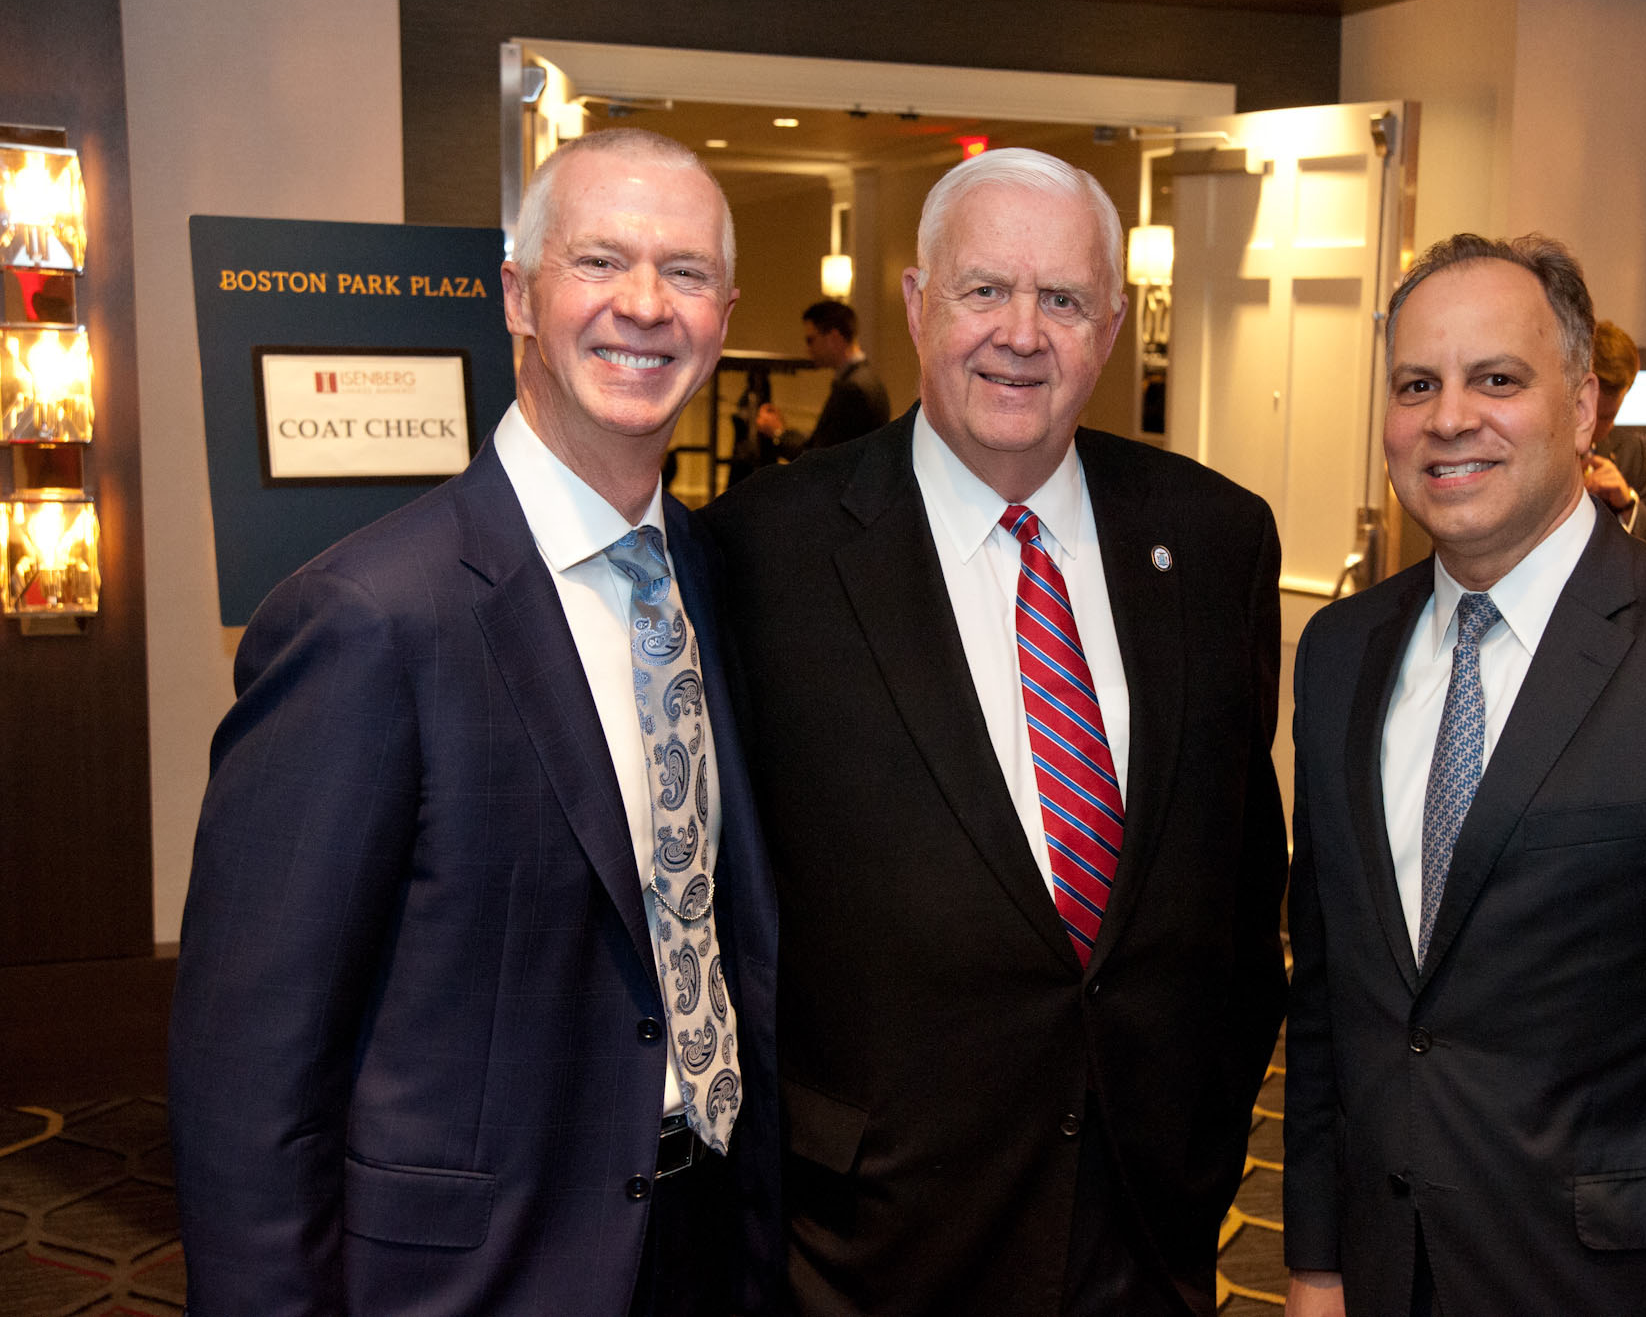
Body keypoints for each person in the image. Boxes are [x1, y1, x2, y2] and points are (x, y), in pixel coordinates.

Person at [169, 128, 784, 1317]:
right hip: (470, 1277)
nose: (644, 305)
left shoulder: (712, 577)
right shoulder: (366, 618)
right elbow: (248, 1079)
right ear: (516, 294)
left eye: (686, 273)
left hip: (705, 1239)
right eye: (598, 261)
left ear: (723, 316)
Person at [705, 147, 1288, 1316]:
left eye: (1062, 299)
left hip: (1146, 1229)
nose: (1021, 333)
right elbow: (719, 905)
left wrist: (1201, 1147)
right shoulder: (763, 550)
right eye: (983, 290)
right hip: (868, 1241)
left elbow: (1238, 886)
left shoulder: (1214, 538)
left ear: (1109, 328)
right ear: (918, 302)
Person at [1283, 234, 1646, 1316]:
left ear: (1583, 406)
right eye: (1416, 384)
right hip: (1381, 1271)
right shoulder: (1338, 654)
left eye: (1496, 379)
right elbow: (1332, 997)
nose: (1448, 417)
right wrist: (1317, 1261)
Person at [732, 299, 892, 483]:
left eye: (811, 340)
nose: (808, 349)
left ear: (833, 338)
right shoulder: (867, 379)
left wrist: (778, 434)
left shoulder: (852, 388)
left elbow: (823, 459)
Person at [1581, 318, 1646, 551]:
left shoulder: (1630, 452)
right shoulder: (1537, 446)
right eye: (1584, 411)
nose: (1590, 426)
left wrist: (1627, 504)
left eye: (1606, 417)